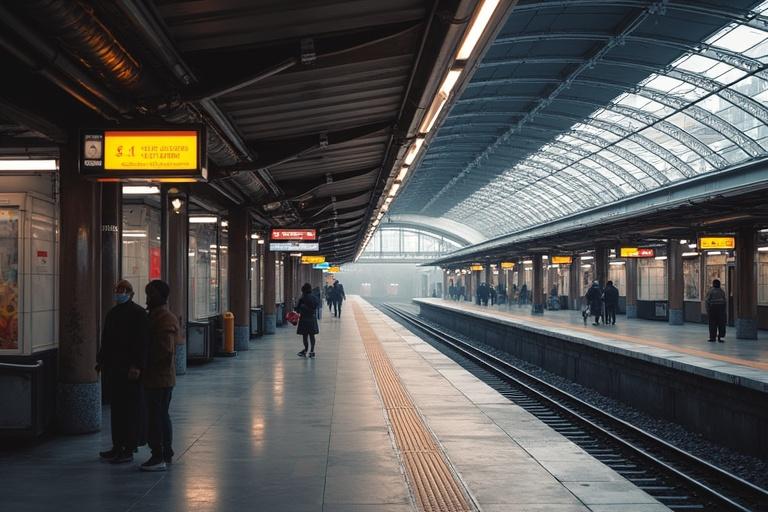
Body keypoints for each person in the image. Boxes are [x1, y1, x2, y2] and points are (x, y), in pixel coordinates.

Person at [96, 280, 150, 463]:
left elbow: (142, 343)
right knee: (117, 409)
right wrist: (101, 360)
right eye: (117, 289)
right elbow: (107, 340)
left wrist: (137, 366)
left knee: (131, 409)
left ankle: (129, 446)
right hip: (115, 368)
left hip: (130, 369)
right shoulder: (113, 313)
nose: (119, 293)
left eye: (123, 290)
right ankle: (117, 445)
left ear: (131, 293)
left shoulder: (139, 314)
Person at [141, 280, 179, 472]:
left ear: (160, 296)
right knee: (160, 415)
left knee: (157, 416)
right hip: (156, 377)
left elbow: (165, 351)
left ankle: (159, 455)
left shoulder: (164, 319)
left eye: (151, 295)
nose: (148, 298)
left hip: (159, 378)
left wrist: (145, 364)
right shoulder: (155, 316)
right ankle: (165, 452)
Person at [296, 283, 320, 357]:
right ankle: (312, 351)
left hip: (304, 319)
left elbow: (297, 310)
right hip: (312, 318)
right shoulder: (314, 297)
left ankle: (305, 350)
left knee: (305, 336)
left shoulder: (302, 298)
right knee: (312, 336)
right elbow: (317, 305)